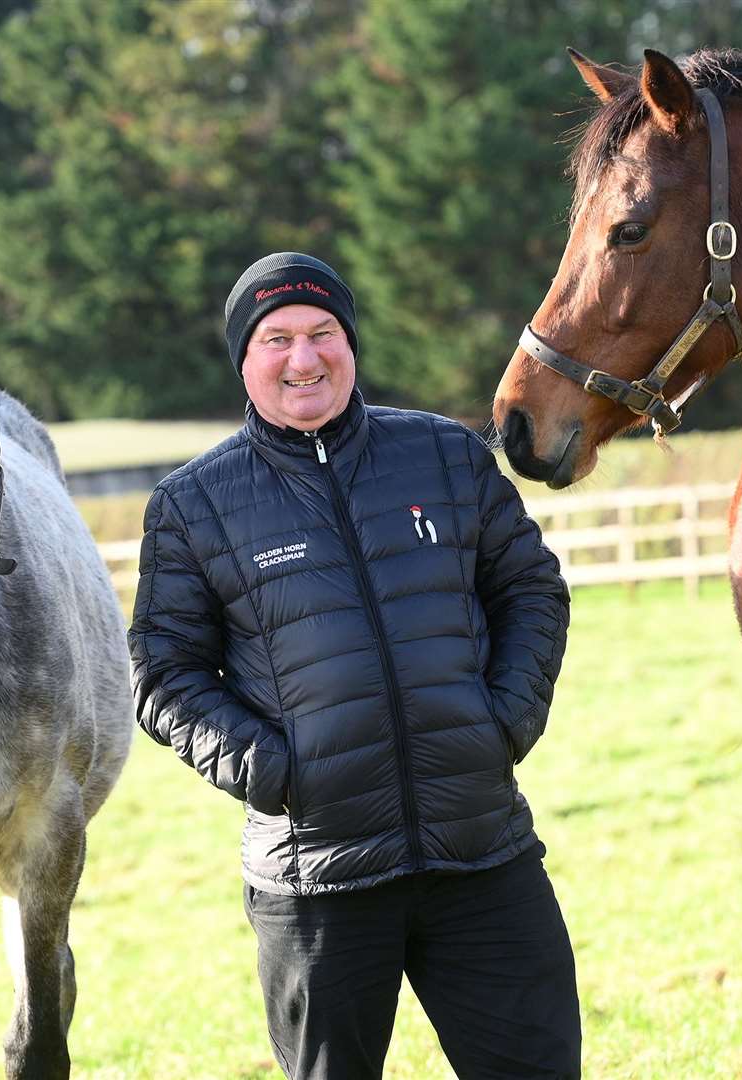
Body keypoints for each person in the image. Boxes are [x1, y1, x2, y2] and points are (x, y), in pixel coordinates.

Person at [128, 252, 578, 1079]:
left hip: (480, 853)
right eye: (277, 339)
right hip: (316, 881)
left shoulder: (445, 457)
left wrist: (504, 722)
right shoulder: (194, 504)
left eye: (322, 332)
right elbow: (163, 675)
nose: (304, 358)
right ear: (245, 360)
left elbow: (531, 589)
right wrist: (275, 771)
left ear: (351, 343)